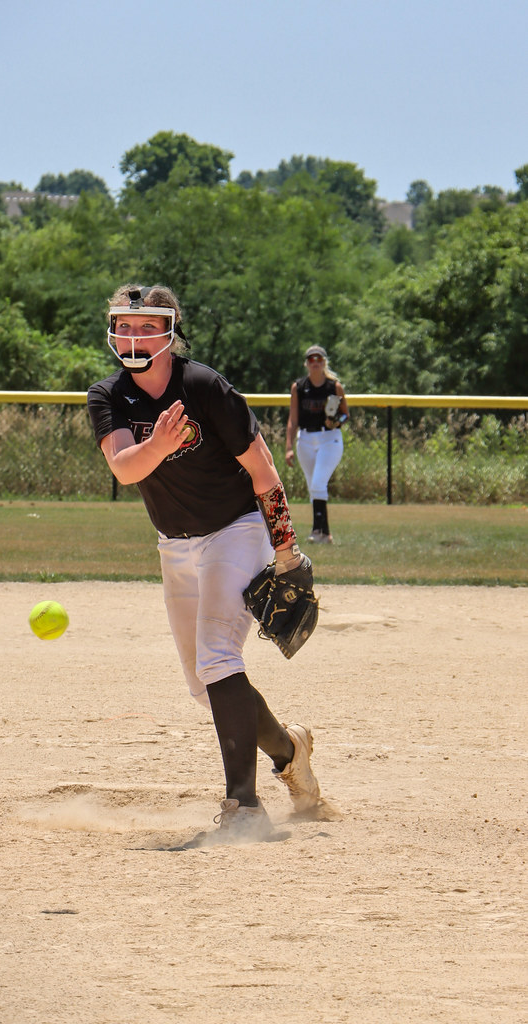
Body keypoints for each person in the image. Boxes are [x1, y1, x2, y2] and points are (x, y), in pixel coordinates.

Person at [87, 283, 321, 843]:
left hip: (236, 531)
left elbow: (264, 470)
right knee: (204, 683)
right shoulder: (108, 396)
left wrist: (285, 548)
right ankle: (291, 750)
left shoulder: (203, 386)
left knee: (219, 659)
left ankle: (244, 809)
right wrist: (160, 446)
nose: (134, 336)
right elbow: (124, 469)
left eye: (147, 326)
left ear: (170, 330)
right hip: (176, 546)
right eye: (125, 325)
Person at [285, 344, 349, 544]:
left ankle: (316, 531)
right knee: (314, 487)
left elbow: (346, 414)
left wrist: (337, 421)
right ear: (306, 363)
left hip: (329, 439)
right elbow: (293, 420)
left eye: (319, 359)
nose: (315, 363)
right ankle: (325, 534)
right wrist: (288, 447)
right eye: (311, 359)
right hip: (305, 439)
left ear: (324, 362)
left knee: (318, 483)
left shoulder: (334, 386)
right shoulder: (299, 387)